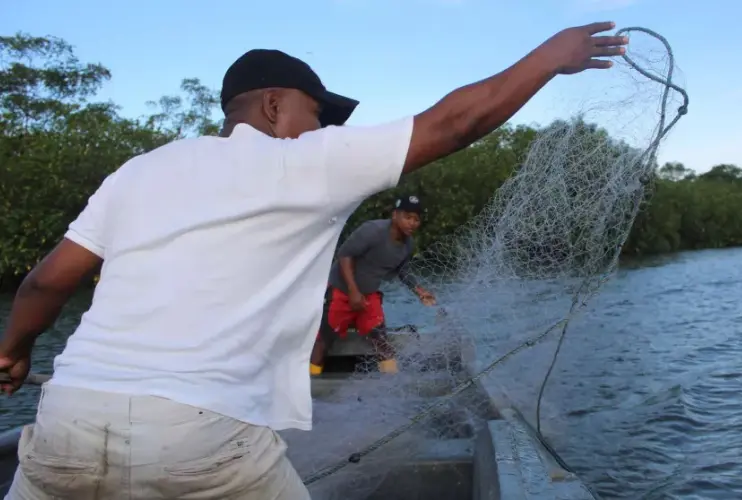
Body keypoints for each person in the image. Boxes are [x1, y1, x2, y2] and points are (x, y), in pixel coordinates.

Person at [0, 23, 628, 499]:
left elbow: (46, 282)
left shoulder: (140, 170)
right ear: (274, 106)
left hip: (63, 424)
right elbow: (456, 122)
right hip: (200, 439)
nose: (322, 127)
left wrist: (14, 353)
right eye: (316, 112)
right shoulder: (303, 161)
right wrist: (551, 57)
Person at [309, 195, 436, 376]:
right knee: (324, 340)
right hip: (342, 291)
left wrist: (419, 291)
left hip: (369, 296)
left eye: (416, 219)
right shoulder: (372, 230)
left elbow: (402, 271)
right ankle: (311, 382)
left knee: (381, 340)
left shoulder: (408, 245)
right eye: (407, 217)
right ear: (395, 215)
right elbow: (344, 255)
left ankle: (390, 384)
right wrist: (353, 291)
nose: (412, 223)